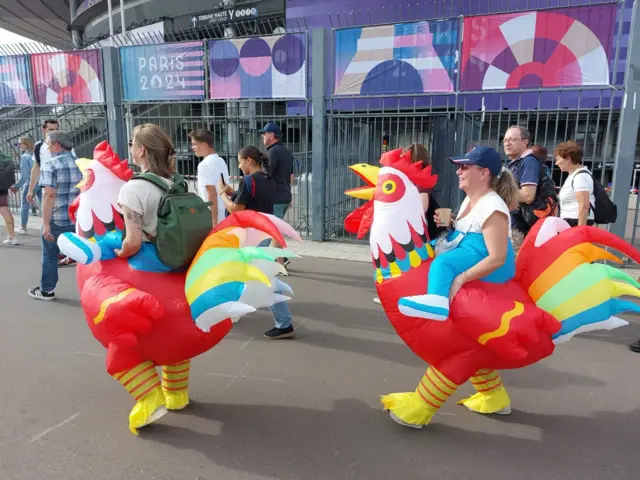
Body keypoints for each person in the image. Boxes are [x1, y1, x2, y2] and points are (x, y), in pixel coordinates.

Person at [407, 146, 519, 320]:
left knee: (444, 263)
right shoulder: (471, 198)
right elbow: (470, 229)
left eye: (465, 167)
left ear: (483, 173)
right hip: (473, 250)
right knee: (427, 250)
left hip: (487, 260)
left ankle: (437, 303)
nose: (459, 172)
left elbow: (497, 257)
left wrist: (461, 279)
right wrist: (451, 222)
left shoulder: (493, 207)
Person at [218, 145, 295, 340]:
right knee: (251, 276)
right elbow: (253, 201)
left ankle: (283, 322)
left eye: (240, 162)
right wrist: (233, 192)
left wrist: (222, 193)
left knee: (261, 280)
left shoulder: (249, 180)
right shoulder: (267, 180)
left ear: (249, 161)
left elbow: (237, 209)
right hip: (263, 234)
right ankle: (235, 312)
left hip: (251, 238)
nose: (240, 166)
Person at [373, 142, 447, 305]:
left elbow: (421, 208)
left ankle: (402, 295)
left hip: (422, 233)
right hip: (418, 231)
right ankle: (394, 294)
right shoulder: (413, 179)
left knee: (410, 267)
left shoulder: (419, 182)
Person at [28, 132, 82, 300]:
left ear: (57, 145)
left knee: (50, 255)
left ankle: (47, 290)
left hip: (57, 219)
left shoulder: (51, 165)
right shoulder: (81, 165)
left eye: (48, 144)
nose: (47, 147)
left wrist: (45, 223)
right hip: (78, 219)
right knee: (83, 255)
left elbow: (48, 195)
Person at [115, 124, 176, 260]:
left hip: (151, 261)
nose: (130, 148)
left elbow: (133, 242)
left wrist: (121, 253)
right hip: (178, 256)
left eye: (131, 143)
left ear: (141, 150)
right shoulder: (176, 182)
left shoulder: (132, 188)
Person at [28, 119, 77, 267]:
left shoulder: (64, 146)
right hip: (46, 186)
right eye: (50, 129)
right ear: (44, 130)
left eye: (56, 128)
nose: (54, 131)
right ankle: (64, 251)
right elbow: (36, 168)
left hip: (62, 190)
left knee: (52, 228)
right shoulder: (39, 147)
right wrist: (30, 189)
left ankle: (64, 254)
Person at [504, 126, 557, 253]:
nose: (507, 143)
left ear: (524, 142)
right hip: (517, 225)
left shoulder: (528, 162)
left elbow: (528, 196)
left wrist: (499, 193)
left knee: (515, 267)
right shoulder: (515, 163)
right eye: (505, 140)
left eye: (512, 140)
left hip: (521, 228)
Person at [259, 122, 294, 273]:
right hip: (284, 195)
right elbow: (291, 176)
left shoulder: (272, 152)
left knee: (269, 231)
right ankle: (280, 261)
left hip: (275, 197)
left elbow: (268, 175)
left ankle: (265, 262)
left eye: (264, 134)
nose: (262, 136)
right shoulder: (287, 152)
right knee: (275, 230)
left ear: (271, 136)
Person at [189, 129, 230, 227]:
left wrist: (214, 222)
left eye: (194, 144)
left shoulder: (204, 165)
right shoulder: (221, 161)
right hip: (224, 213)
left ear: (204, 144)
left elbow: (211, 194)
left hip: (210, 216)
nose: (192, 147)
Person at [554, 141, 595, 227]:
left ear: (568, 158)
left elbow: (584, 205)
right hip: (572, 219)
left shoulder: (580, 177)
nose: (556, 163)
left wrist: (580, 230)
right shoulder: (574, 175)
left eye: (558, 159)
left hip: (575, 221)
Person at [10, 136, 41, 234]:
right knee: (44, 203)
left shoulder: (24, 157)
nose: (18, 146)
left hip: (30, 183)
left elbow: (24, 175)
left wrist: (17, 186)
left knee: (25, 204)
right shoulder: (37, 154)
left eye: (19, 144)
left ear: (26, 144)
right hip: (41, 182)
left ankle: (23, 227)